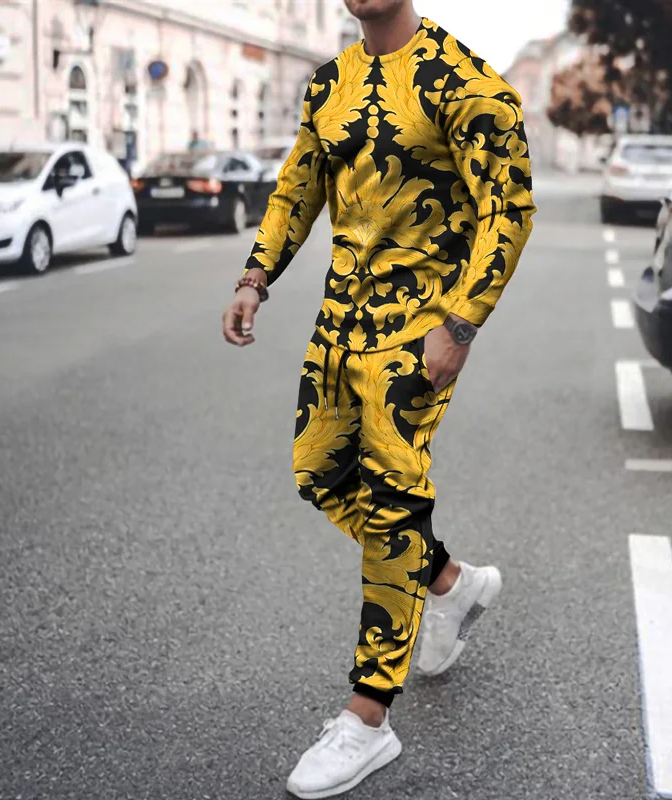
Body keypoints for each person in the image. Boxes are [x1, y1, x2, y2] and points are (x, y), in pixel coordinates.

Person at [222, 0, 536, 796]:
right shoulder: (329, 82)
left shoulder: (468, 83)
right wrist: (256, 277)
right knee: (319, 474)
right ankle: (449, 582)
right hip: (338, 328)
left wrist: (460, 325)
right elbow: (297, 188)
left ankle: (367, 718)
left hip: (417, 337)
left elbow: (508, 209)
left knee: (394, 504)